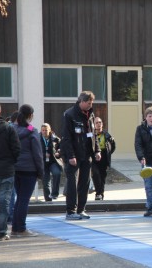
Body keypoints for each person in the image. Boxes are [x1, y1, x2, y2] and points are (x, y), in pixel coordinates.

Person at [61, 91, 101, 220]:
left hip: (87, 154)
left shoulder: (90, 114)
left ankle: (81, 209)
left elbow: (93, 134)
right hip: (73, 155)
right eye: (88, 103)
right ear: (81, 102)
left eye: (92, 103)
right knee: (72, 183)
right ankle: (70, 211)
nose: (90, 105)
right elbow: (66, 138)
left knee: (85, 182)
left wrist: (97, 150)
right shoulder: (70, 114)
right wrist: (71, 156)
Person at [11, 104, 44, 237]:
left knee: (19, 199)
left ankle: (14, 228)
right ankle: (22, 229)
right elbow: (37, 153)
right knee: (24, 199)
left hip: (14, 168)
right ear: (31, 116)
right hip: (29, 169)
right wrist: (41, 171)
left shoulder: (12, 129)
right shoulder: (32, 131)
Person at [0, 102, 20, 241]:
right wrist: (10, 162)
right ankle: (2, 231)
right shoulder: (9, 128)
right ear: (0, 110)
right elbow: (17, 149)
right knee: (4, 202)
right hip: (6, 170)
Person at [91, 117, 116, 201]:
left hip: (104, 157)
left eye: (100, 122)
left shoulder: (106, 134)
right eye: (96, 123)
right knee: (95, 174)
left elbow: (112, 146)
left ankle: (100, 194)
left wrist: (108, 154)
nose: (98, 124)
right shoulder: (91, 134)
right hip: (93, 157)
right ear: (93, 125)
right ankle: (98, 193)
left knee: (102, 176)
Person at [40, 123, 63, 202]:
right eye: (43, 130)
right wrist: (43, 154)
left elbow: (61, 147)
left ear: (49, 130)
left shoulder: (55, 138)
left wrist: (59, 153)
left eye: (46, 130)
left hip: (53, 161)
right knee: (46, 183)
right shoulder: (37, 139)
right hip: (43, 163)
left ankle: (54, 193)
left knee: (57, 173)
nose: (44, 132)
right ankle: (48, 199)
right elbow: (35, 151)